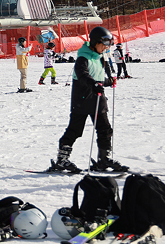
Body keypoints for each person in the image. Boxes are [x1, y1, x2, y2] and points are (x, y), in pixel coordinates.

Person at [50, 26, 127, 173]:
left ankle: (104, 160)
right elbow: (83, 74)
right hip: (82, 98)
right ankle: (62, 160)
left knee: (105, 129)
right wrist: (94, 84)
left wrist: (108, 81)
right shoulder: (83, 57)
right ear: (95, 42)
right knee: (75, 129)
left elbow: (100, 76)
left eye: (109, 44)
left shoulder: (101, 55)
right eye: (104, 43)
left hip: (98, 97)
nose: (106, 47)